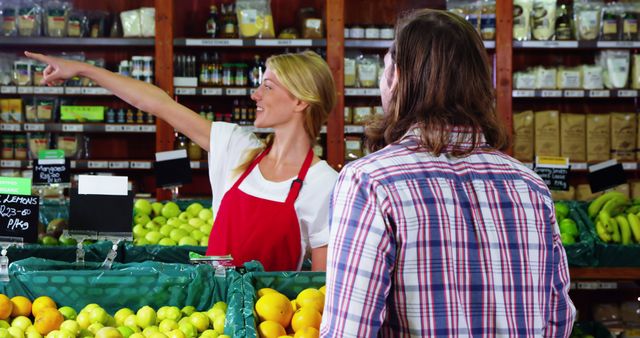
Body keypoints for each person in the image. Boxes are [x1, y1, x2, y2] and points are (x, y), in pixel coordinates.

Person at [320, 9, 575, 337]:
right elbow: (558, 321)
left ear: (397, 77)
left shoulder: (369, 182)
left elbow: (348, 331)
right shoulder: (531, 187)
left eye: (385, 71)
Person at [26, 50, 337, 272]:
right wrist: (83, 70)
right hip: (209, 315)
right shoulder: (238, 149)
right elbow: (155, 102)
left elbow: (316, 289)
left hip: (268, 322)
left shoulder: (324, 183)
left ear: (299, 101)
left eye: (268, 87)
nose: (255, 95)